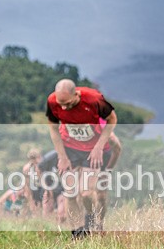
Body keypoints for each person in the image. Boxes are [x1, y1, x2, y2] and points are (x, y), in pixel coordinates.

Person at [45, 79, 118, 238]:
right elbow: (53, 129)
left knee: (86, 193)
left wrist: (99, 147)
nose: (64, 108)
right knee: (70, 193)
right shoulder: (52, 101)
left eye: (68, 104)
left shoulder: (94, 99)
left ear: (76, 95)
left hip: (91, 150)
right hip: (69, 148)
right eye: (61, 104)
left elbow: (112, 120)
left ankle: (90, 219)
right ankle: (78, 234)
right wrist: (62, 157)